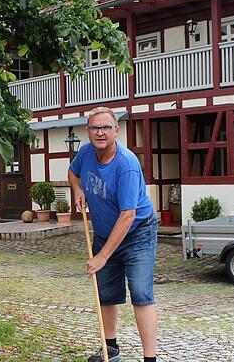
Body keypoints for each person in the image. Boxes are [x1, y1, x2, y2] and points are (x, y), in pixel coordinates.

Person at [68, 106, 158, 362]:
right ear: (88, 132)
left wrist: (103, 256)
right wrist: (77, 190)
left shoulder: (126, 164)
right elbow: (73, 173)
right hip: (105, 233)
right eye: (95, 127)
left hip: (138, 233)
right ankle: (111, 349)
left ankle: (150, 359)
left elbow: (127, 216)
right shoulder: (86, 152)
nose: (100, 132)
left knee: (141, 294)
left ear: (116, 131)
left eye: (106, 127)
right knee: (106, 293)